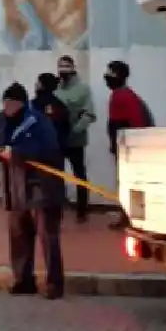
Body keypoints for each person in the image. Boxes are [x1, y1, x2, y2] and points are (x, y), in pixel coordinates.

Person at [0, 82, 66, 299]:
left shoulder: (39, 122)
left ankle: (54, 284)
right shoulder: (3, 122)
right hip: (15, 188)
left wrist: (16, 153)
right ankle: (23, 280)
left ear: (22, 103)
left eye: (12, 103)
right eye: (5, 102)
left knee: (48, 237)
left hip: (41, 187)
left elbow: (48, 150)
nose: (7, 107)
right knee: (18, 236)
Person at [105, 60, 153, 228]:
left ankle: (127, 217)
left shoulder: (121, 96)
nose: (106, 77)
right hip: (126, 145)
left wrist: (126, 146)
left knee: (126, 181)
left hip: (127, 147)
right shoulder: (126, 94)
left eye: (110, 73)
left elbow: (134, 122)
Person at [54, 54, 95, 223]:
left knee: (79, 175)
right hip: (57, 140)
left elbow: (89, 114)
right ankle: (57, 209)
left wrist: (76, 129)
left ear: (73, 68)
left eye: (66, 66)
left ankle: (82, 210)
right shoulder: (55, 89)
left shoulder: (83, 89)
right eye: (60, 66)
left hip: (76, 140)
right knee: (56, 175)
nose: (63, 69)